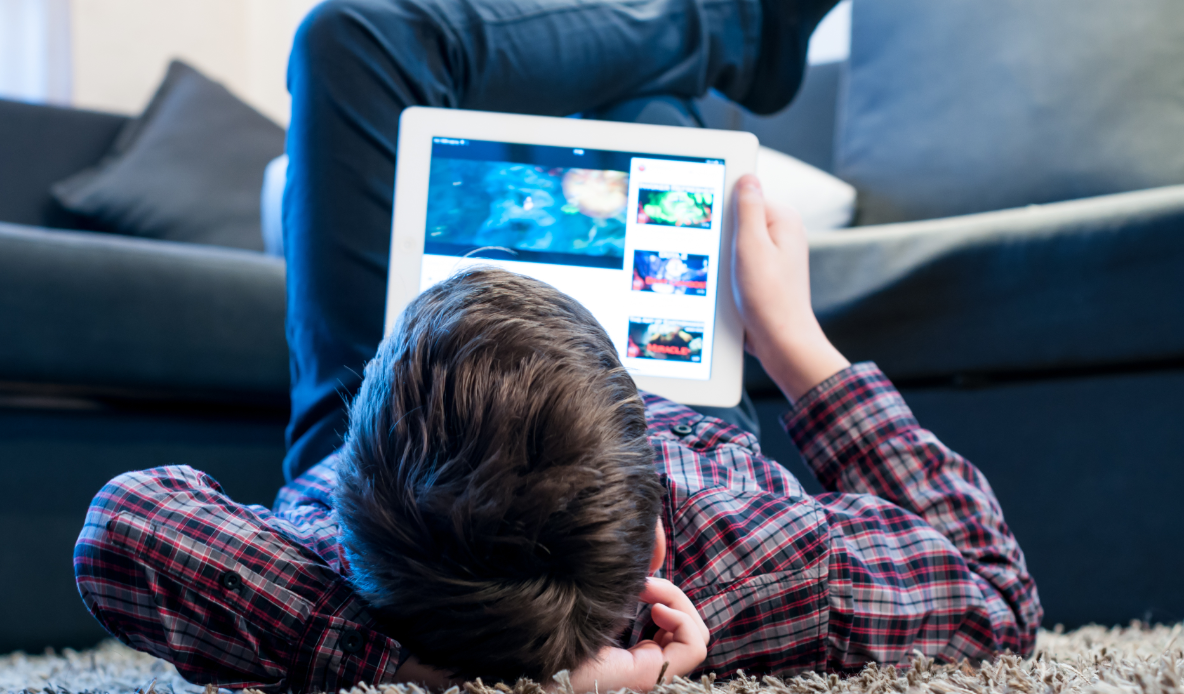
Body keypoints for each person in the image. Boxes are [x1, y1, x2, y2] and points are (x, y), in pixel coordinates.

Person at [72, 0, 1042, 691]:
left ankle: (730, 20)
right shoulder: (749, 549)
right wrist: (796, 344)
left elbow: (126, 525)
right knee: (655, 123)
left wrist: (412, 668)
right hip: (664, 436)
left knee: (347, 39)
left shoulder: (330, 558)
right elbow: (995, 590)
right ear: (660, 542)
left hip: (395, 478)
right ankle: (734, 20)